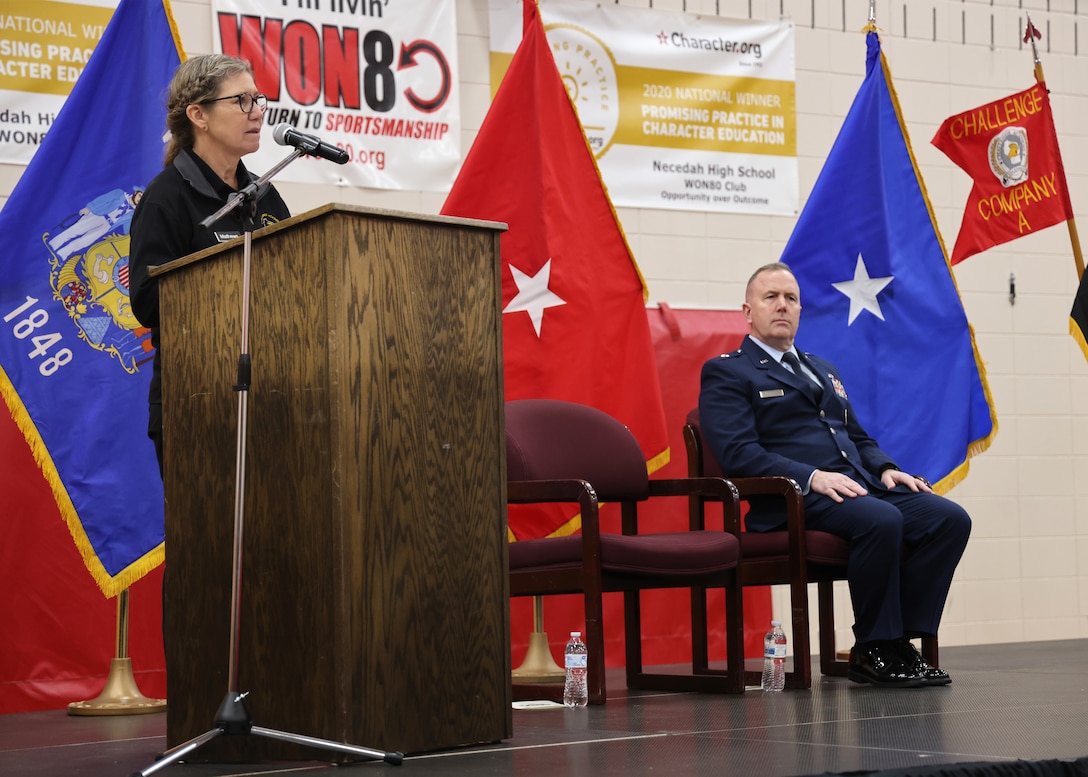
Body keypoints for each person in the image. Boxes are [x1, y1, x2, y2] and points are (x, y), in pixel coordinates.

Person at [698, 262, 971, 688]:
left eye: (790, 298)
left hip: (853, 487)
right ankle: (874, 648)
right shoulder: (729, 371)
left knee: (948, 519)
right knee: (882, 520)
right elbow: (738, 454)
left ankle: (900, 640)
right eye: (770, 297)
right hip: (792, 498)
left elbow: (857, 436)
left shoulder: (823, 369)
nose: (782, 306)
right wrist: (810, 477)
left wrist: (886, 469)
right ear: (748, 311)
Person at [129, 54, 291, 476]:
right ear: (198, 114)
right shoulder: (166, 198)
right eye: (241, 101)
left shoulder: (265, 196)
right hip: (195, 401)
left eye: (258, 99)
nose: (257, 112)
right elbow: (147, 303)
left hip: (272, 398)